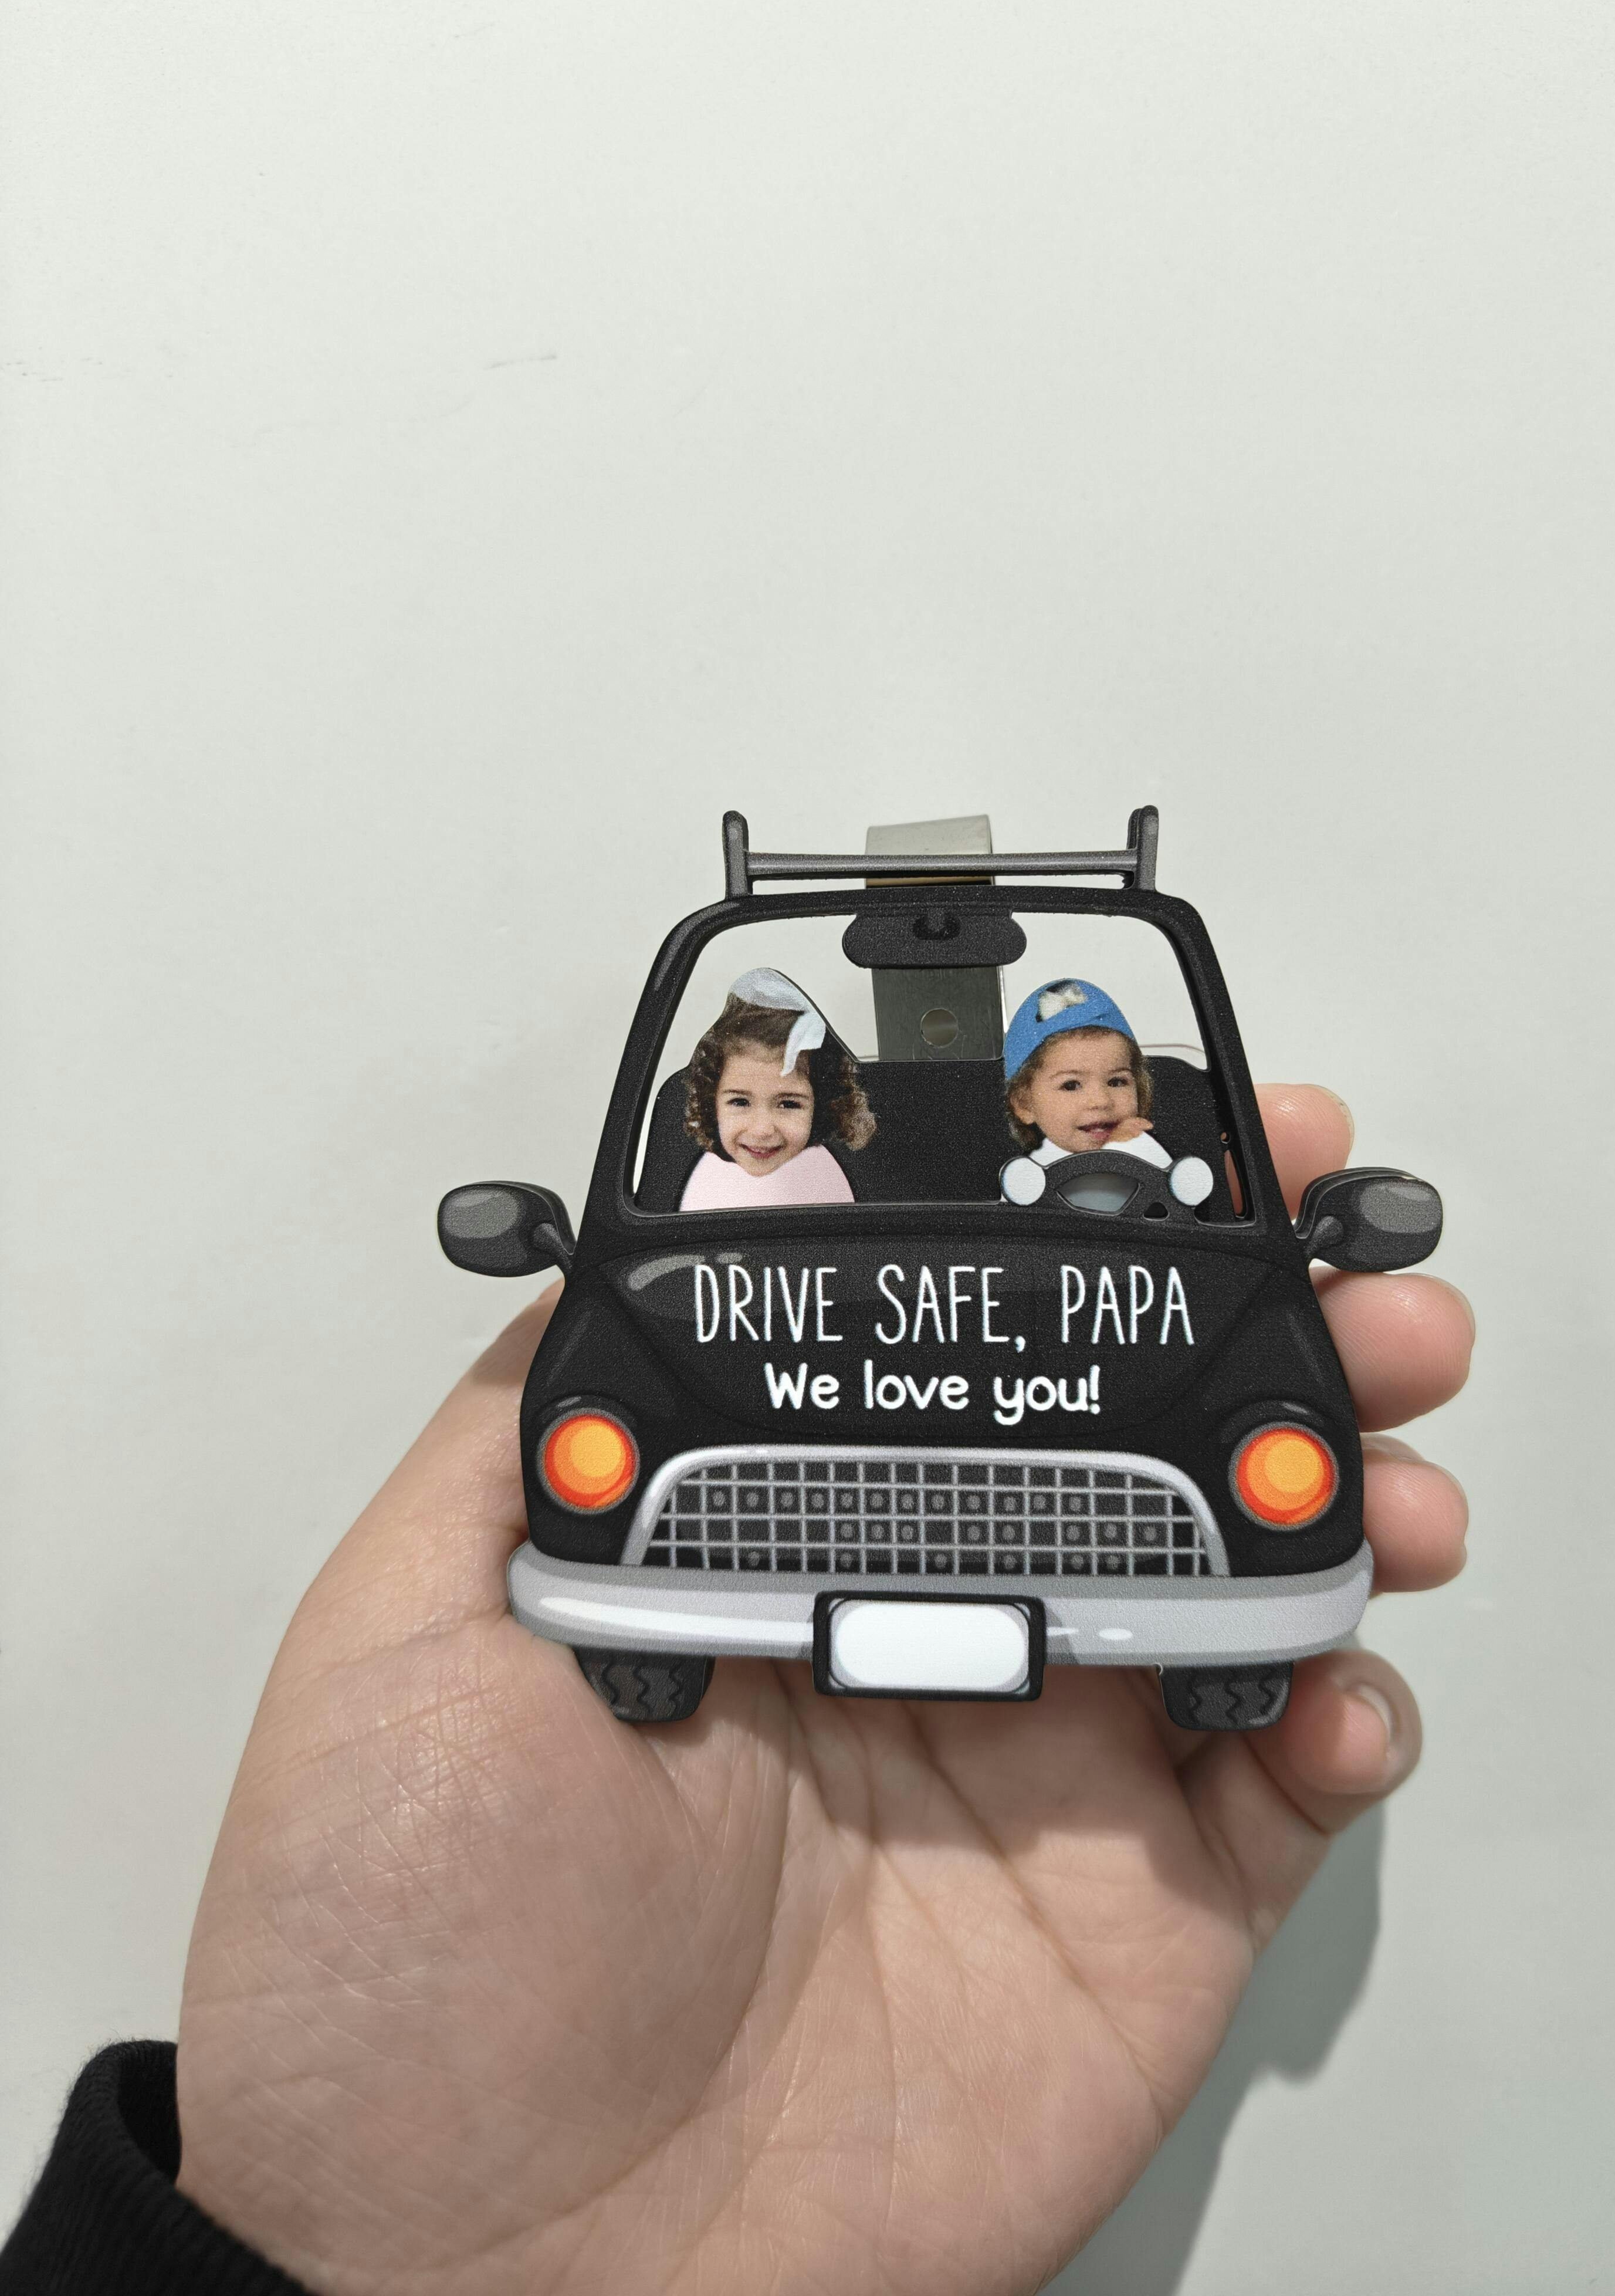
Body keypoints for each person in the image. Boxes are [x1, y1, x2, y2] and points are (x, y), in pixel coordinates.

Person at [2, 1083, 1474, 2296]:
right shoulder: (672, 1272)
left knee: (1291, 1462)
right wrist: (335, 2242)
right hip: (710, 1567)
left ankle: (1218, 1639)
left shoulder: (1190, 1234)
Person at [677, 966, 875, 1209]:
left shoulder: (824, 1174)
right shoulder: (706, 1178)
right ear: (712, 1102)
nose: (762, 1131)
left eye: (789, 1104)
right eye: (740, 1102)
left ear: (822, 1104)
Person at [1003, 977, 1176, 1165]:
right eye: (1071, 1085)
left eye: (1116, 1082)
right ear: (1026, 1104)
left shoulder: (1148, 1153)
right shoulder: (1031, 1172)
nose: (1101, 1101)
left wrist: (1138, 1148)